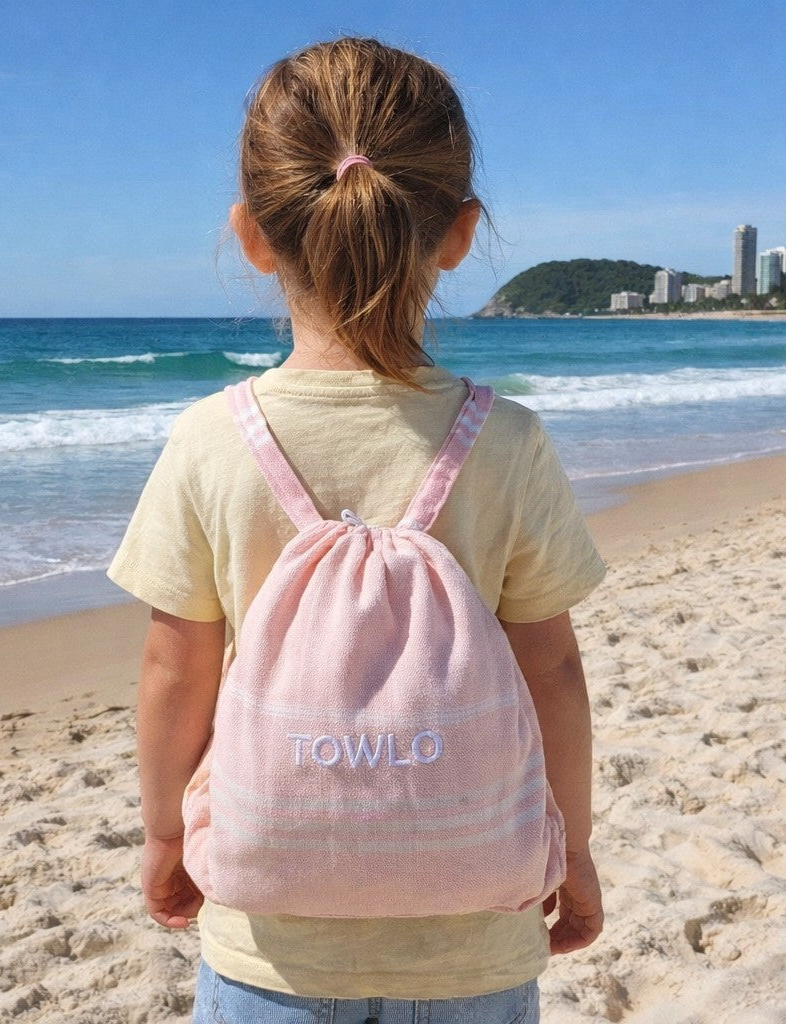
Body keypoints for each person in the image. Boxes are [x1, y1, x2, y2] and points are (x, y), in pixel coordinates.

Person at [109, 37, 605, 1024]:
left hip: (271, 946)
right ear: (459, 233)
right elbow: (552, 673)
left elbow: (175, 669)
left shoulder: (211, 439)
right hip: (474, 938)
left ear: (253, 236)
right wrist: (574, 850)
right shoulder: (504, 442)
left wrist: (166, 836)